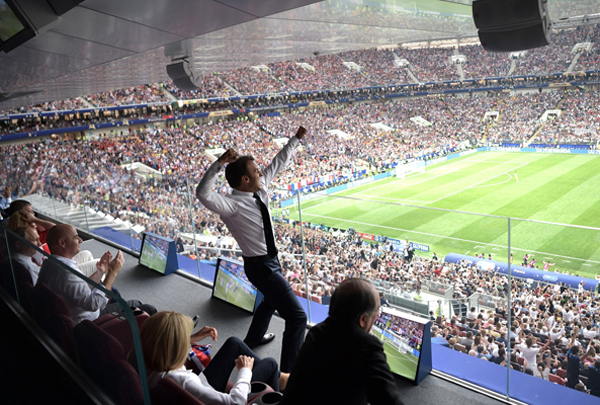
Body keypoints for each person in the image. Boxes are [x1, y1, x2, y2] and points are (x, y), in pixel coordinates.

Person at [196, 126, 308, 372]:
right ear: (245, 180)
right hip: (259, 267)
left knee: (270, 301)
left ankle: (253, 339)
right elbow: (202, 193)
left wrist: (296, 139)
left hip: (271, 261)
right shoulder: (231, 205)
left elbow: (278, 163)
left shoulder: (259, 188)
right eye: (257, 171)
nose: (262, 173)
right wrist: (219, 164)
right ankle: (289, 377)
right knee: (298, 317)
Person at [280, 278, 403, 405]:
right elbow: (389, 400)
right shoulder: (367, 346)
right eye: (376, 311)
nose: (377, 316)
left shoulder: (316, 332)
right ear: (363, 319)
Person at [141, 311, 287, 405]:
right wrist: (245, 371)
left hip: (203, 385)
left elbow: (164, 344)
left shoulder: (146, 359)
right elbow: (235, 403)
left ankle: (280, 378)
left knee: (234, 343)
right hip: (211, 393)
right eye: (183, 339)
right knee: (270, 364)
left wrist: (193, 338)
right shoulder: (184, 381)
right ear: (174, 349)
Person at [37, 224, 156, 323]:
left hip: (74, 315)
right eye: (76, 237)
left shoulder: (49, 264)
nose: (81, 240)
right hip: (90, 323)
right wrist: (112, 273)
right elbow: (93, 304)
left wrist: (101, 272)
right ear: (62, 243)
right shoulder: (66, 273)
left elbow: (78, 288)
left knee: (115, 293)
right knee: (146, 308)